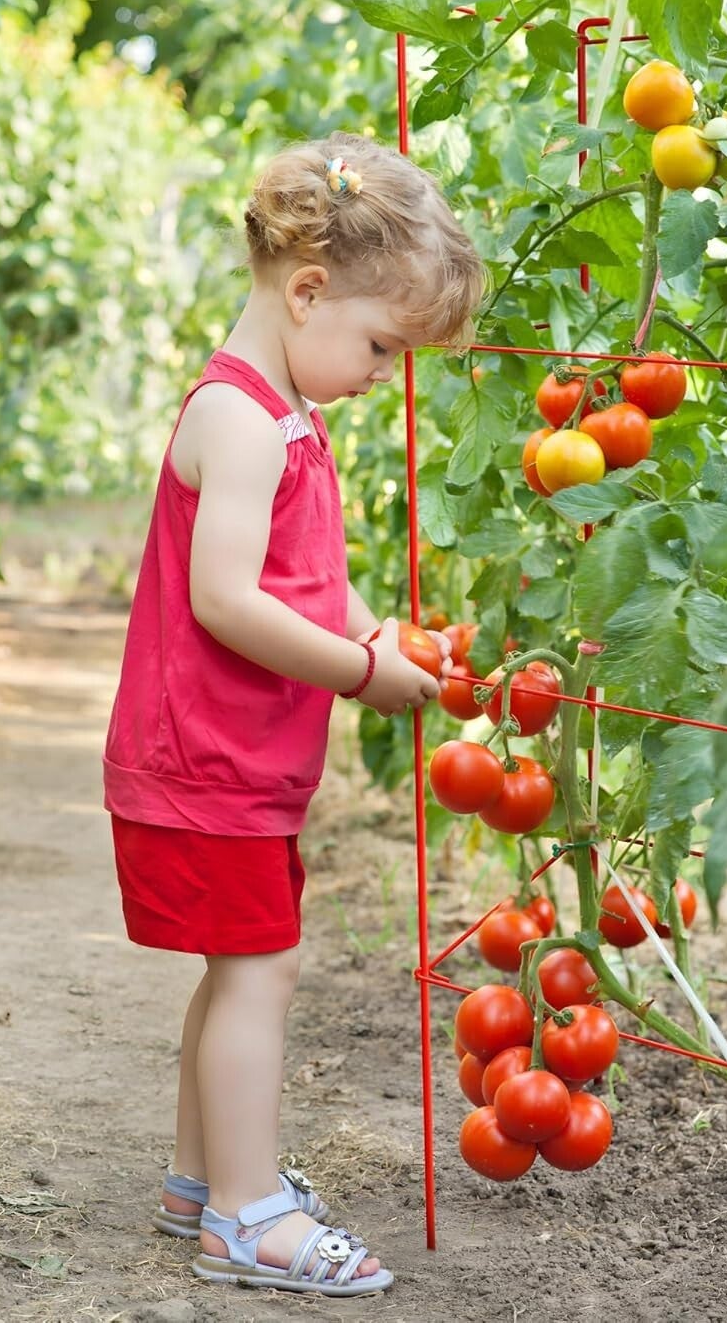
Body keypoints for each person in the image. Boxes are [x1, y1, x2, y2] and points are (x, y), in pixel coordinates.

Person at [102, 133, 487, 1296]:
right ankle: (245, 1214)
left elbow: (306, 579)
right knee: (259, 975)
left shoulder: (287, 414)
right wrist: (361, 673)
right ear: (308, 291)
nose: (381, 374)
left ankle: (200, 1180)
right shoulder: (237, 419)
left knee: (238, 972)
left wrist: (376, 634)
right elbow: (224, 600)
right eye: (380, 346)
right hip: (202, 762)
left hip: (235, 764)